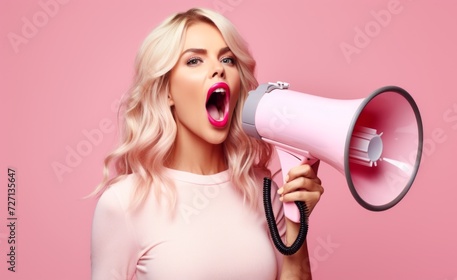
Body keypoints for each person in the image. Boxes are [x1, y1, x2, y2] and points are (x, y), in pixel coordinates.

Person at [90, 7, 324, 280]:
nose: (218, 70)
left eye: (227, 59)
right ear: (167, 91)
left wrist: (299, 221)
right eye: (194, 61)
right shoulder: (124, 203)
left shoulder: (263, 190)